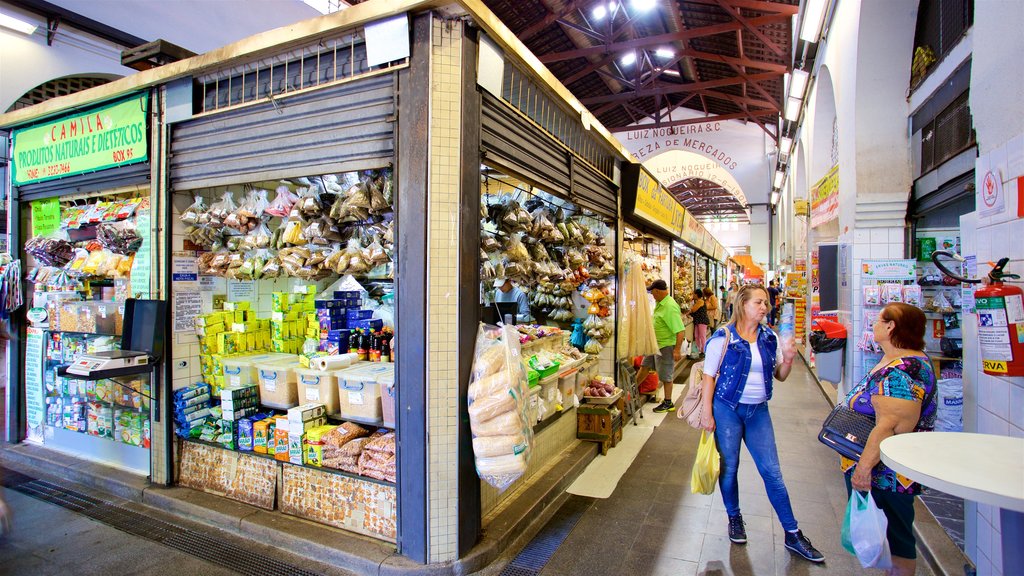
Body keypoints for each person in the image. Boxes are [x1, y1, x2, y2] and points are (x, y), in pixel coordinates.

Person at [699, 284, 825, 563]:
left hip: (758, 411)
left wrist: (789, 359)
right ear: (742, 305)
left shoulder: (769, 337)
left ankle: (792, 533)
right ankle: (734, 518)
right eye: (758, 302)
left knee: (772, 472)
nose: (764, 307)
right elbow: (709, 377)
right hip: (727, 410)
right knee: (729, 468)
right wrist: (707, 413)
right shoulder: (723, 338)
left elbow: (780, 375)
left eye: (765, 303)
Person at [842, 303, 937, 576]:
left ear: (891, 326)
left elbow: (890, 426)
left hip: (887, 474)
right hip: (881, 471)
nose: (873, 323)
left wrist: (863, 469)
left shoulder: (905, 370)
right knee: (891, 535)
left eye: (878, 319)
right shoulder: (897, 360)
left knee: (897, 539)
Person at [636, 280, 685, 414]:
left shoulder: (669, 306)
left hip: (665, 346)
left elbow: (680, 330)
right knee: (644, 366)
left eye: (652, 292)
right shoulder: (660, 304)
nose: (652, 295)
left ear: (657, 291)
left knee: (665, 375)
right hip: (654, 344)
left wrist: (677, 350)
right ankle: (633, 392)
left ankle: (668, 403)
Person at [688, 289, 710, 358]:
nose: (693, 295)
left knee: (702, 336)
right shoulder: (698, 301)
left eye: (694, 294)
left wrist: (687, 312)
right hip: (698, 321)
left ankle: (703, 351)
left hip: (702, 321)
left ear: (697, 294)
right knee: (697, 335)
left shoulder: (700, 301)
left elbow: (693, 310)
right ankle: (698, 350)